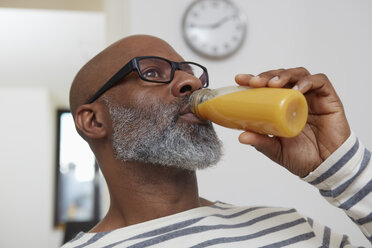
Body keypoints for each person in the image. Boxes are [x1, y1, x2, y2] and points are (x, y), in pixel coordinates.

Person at [63, 35, 371, 247]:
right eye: (153, 71)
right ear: (94, 121)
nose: (192, 83)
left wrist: (341, 166)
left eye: (190, 73)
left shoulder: (295, 228)